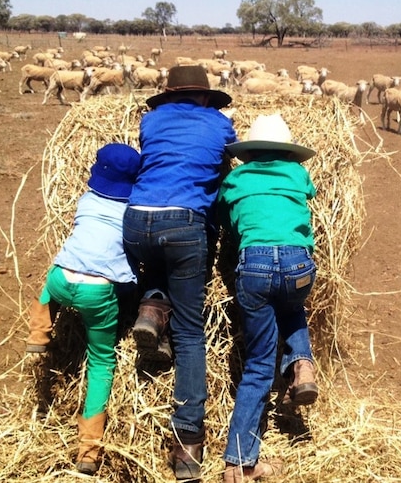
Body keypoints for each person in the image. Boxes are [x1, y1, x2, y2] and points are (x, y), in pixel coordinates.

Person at [122, 64, 237, 480]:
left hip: (135, 221)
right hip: (184, 223)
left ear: (169, 95)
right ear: (205, 97)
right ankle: (188, 443)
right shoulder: (219, 123)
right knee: (190, 334)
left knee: (156, 260)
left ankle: (151, 307)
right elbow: (230, 159)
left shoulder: (150, 120)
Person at [25, 143, 141, 475]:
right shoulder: (131, 213)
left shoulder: (86, 201)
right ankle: (89, 450)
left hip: (61, 281)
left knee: (57, 271)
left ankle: (39, 331)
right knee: (101, 364)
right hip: (96, 292)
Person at [217, 113, 320, 482]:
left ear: (249, 152)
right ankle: (302, 364)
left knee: (259, 367)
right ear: (287, 151)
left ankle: (239, 464)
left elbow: (230, 226)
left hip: (255, 266)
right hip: (298, 263)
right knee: (293, 305)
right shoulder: (297, 174)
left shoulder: (235, 178)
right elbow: (308, 200)